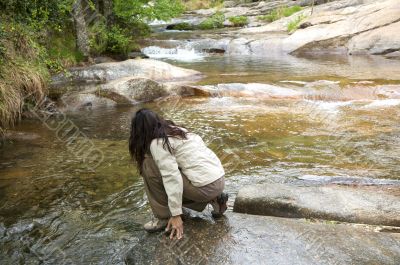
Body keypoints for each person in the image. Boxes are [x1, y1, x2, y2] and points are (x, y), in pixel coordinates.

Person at [129, 108, 228, 240]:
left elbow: (172, 177)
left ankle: (164, 217)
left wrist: (175, 215)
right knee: (177, 168)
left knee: (149, 165)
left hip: (204, 188)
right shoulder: (179, 131)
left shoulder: (157, 143)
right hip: (218, 180)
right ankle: (215, 198)